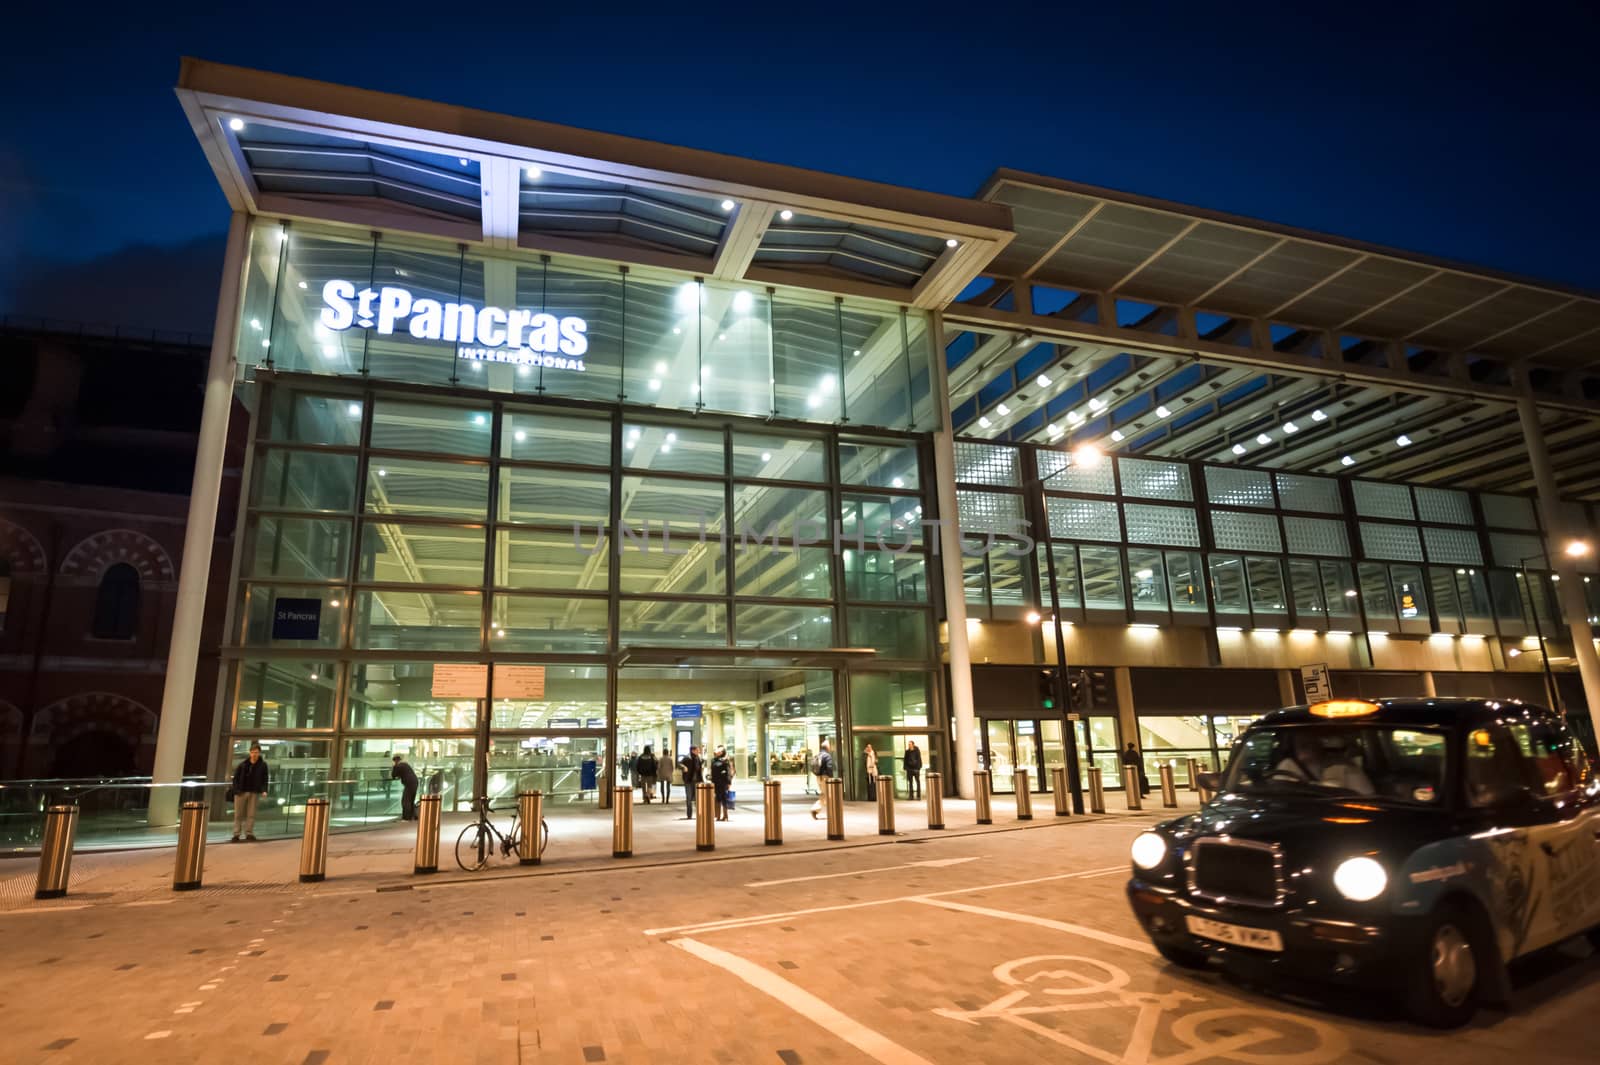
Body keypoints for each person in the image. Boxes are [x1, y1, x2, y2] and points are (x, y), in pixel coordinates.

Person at [1275, 731, 1375, 794]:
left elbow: (1367, 798)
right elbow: (1279, 799)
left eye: (1309, 739)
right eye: (1300, 742)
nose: (1303, 740)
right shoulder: (1286, 766)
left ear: (1319, 742)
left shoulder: (1343, 766)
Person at [231, 742, 269, 841]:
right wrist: (236, 790)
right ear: (250, 753)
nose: (254, 754)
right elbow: (235, 778)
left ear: (259, 753)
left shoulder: (263, 765)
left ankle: (249, 833)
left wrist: (264, 790)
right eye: (252, 752)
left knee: (251, 814)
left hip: (254, 792)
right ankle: (236, 834)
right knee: (238, 814)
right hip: (241, 792)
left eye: (256, 752)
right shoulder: (243, 764)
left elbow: (265, 779)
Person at [810, 739, 835, 819]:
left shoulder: (819, 754)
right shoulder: (827, 756)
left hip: (819, 777)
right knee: (826, 794)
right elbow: (829, 767)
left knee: (824, 794)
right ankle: (815, 809)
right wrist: (831, 778)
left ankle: (819, 810)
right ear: (827, 747)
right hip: (825, 777)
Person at [391, 753, 419, 821]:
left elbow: (394, 775)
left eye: (395, 761)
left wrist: (394, 766)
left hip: (409, 784)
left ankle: (406, 818)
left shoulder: (399, 766)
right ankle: (413, 816)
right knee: (411, 800)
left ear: (396, 760)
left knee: (405, 801)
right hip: (414, 782)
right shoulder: (405, 765)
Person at [681, 745, 705, 819]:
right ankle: (689, 814)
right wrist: (683, 767)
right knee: (689, 798)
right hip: (688, 781)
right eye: (697, 750)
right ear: (693, 751)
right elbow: (679, 764)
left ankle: (699, 814)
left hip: (697, 781)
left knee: (698, 798)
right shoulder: (687, 758)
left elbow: (700, 767)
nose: (699, 751)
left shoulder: (699, 758)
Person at [711, 746, 734, 821]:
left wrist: (729, 782)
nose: (716, 751)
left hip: (723, 782)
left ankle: (725, 815)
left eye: (719, 750)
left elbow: (728, 772)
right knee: (717, 798)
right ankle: (717, 815)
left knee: (724, 798)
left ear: (722, 752)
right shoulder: (714, 760)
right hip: (715, 781)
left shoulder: (725, 761)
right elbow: (713, 769)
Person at [658, 739, 673, 803]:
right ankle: (667, 799)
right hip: (669, 774)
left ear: (663, 752)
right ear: (668, 753)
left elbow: (659, 767)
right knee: (668, 787)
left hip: (662, 774)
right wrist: (671, 772)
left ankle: (663, 798)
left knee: (662, 786)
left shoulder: (661, 759)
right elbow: (672, 767)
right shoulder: (670, 759)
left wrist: (658, 772)